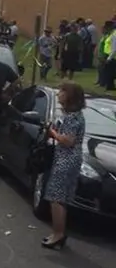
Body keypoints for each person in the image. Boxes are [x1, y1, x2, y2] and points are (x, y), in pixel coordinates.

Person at [42, 81, 86, 250]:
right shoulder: (70, 116)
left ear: (70, 96)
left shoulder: (73, 118)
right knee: (60, 197)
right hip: (66, 159)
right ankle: (57, 232)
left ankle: (58, 234)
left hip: (66, 160)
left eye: (62, 91)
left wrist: (52, 132)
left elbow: (68, 141)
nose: (59, 94)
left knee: (57, 197)